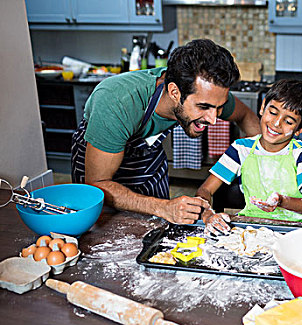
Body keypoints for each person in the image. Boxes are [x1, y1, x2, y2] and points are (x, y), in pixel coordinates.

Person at [71, 39, 261, 224]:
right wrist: (163, 207)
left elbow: (246, 117)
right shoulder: (116, 102)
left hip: (147, 159)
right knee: (108, 234)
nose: (213, 119)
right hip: (101, 165)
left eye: (218, 108)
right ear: (174, 92)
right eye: (203, 107)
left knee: (157, 229)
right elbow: (97, 184)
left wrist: (267, 162)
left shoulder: (208, 95)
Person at [196, 79, 302, 235]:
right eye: (273, 112)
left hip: (295, 230)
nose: (276, 123)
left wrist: (282, 202)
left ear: (299, 129)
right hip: (252, 227)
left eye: (288, 121)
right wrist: (207, 213)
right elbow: (205, 190)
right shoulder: (241, 149)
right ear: (262, 108)